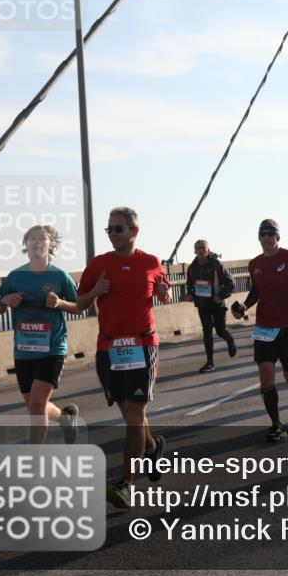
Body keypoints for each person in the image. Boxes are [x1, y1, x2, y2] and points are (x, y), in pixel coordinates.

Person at [76, 207, 170, 508]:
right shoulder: (98, 265)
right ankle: (153, 446)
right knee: (131, 414)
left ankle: (126, 484)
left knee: (132, 416)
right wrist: (96, 292)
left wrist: (164, 291)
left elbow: (163, 293)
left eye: (118, 229)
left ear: (133, 231)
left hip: (143, 346)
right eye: (110, 230)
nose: (113, 234)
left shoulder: (151, 262)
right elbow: (79, 303)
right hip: (109, 349)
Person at [0, 225, 80, 444]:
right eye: (32, 239)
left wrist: (60, 303)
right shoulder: (15, 276)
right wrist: (4, 301)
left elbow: (79, 305)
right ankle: (65, 418)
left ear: (51, 245)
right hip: (24, 350)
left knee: (38, 402)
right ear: (26, 245)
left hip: (52, 347)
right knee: (34, 405)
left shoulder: (59, 275)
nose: (37, 242)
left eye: (42, 239)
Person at [232, 219, 288, 442]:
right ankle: (276, 424)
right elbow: (256, 291)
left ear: (277, 237)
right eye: (263, 234)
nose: (266, 237)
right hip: (265, 327)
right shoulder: (255, 263)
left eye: (271, 234)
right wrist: (244, 307)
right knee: (266, 373)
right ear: (259, 238)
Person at [185, 240, 237, 373]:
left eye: (203, 247)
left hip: (217, 303)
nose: (200, 250)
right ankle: (210, 362)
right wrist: (190, 294)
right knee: (207, 332)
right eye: (198, 248)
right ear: (194, 251)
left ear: (208, 250)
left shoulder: (217, 264)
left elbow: (231, 283)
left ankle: (230, 339)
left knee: (220, 330)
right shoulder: (192, 268)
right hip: (203, 304)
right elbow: (190, 285)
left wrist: (220, 296)